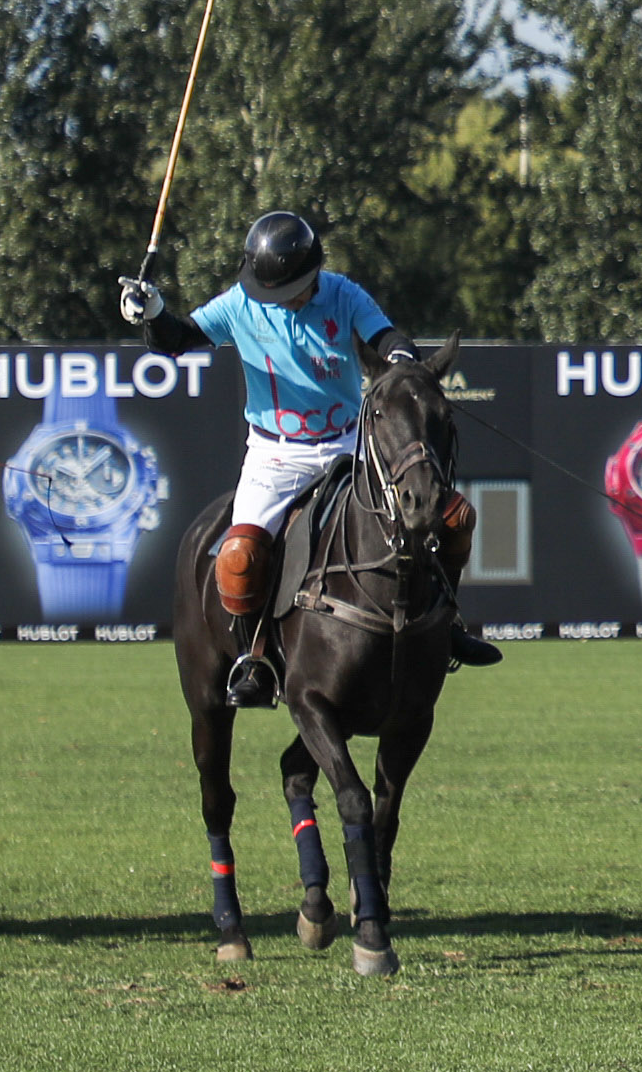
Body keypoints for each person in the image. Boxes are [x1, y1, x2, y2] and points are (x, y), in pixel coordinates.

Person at [116, 208, 500, 709]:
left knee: (449, 518)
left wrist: (404, 365)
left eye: (291, 289)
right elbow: (179, 339)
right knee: (238, 558)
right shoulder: (240, 304)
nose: (282, 301)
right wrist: (152, 313)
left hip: (347, 447)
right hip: (275, 455)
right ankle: (253, 656)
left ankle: (445, 623)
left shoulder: (343, 294)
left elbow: (389, 338)